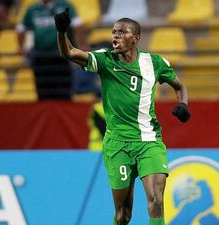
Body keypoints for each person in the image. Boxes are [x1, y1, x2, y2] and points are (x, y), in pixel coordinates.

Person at [55, 9, 191, 225]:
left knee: (156, 200)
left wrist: (183, 103)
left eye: (121, 32)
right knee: (122, 214)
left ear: (135, 38)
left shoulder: (155, 63)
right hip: (117, 145)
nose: (115, 36)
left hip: (149, 142)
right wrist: (62, 32)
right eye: (113, 32)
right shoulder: (105, 60)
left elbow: (180, 85)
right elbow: (69, 53)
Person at [17, 0, 87, 100]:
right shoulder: (32, 9)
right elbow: (21, 28)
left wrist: (82, 44)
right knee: (43, 92)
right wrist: (21, 46)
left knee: (63, 91)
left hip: (61, 56)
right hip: (40, 57)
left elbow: (77, 26)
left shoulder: (65, 6)